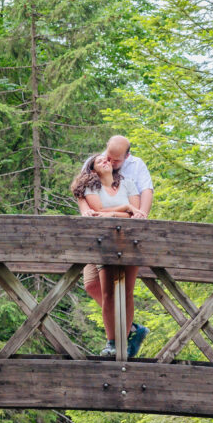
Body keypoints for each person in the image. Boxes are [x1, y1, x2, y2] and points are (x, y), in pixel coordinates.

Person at [73, 136, 153, 357]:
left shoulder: (133, 169)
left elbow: (145, 193)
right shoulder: (94, 168)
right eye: (107, 156)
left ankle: (119, 341)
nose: (109, 160)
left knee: (124, 290)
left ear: (126, 156)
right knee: (92, 285)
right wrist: (87, 212)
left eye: (115, 159)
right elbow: (82, 191)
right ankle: (130, 328)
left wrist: (140, 216)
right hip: (99, 240)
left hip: (127, 238)